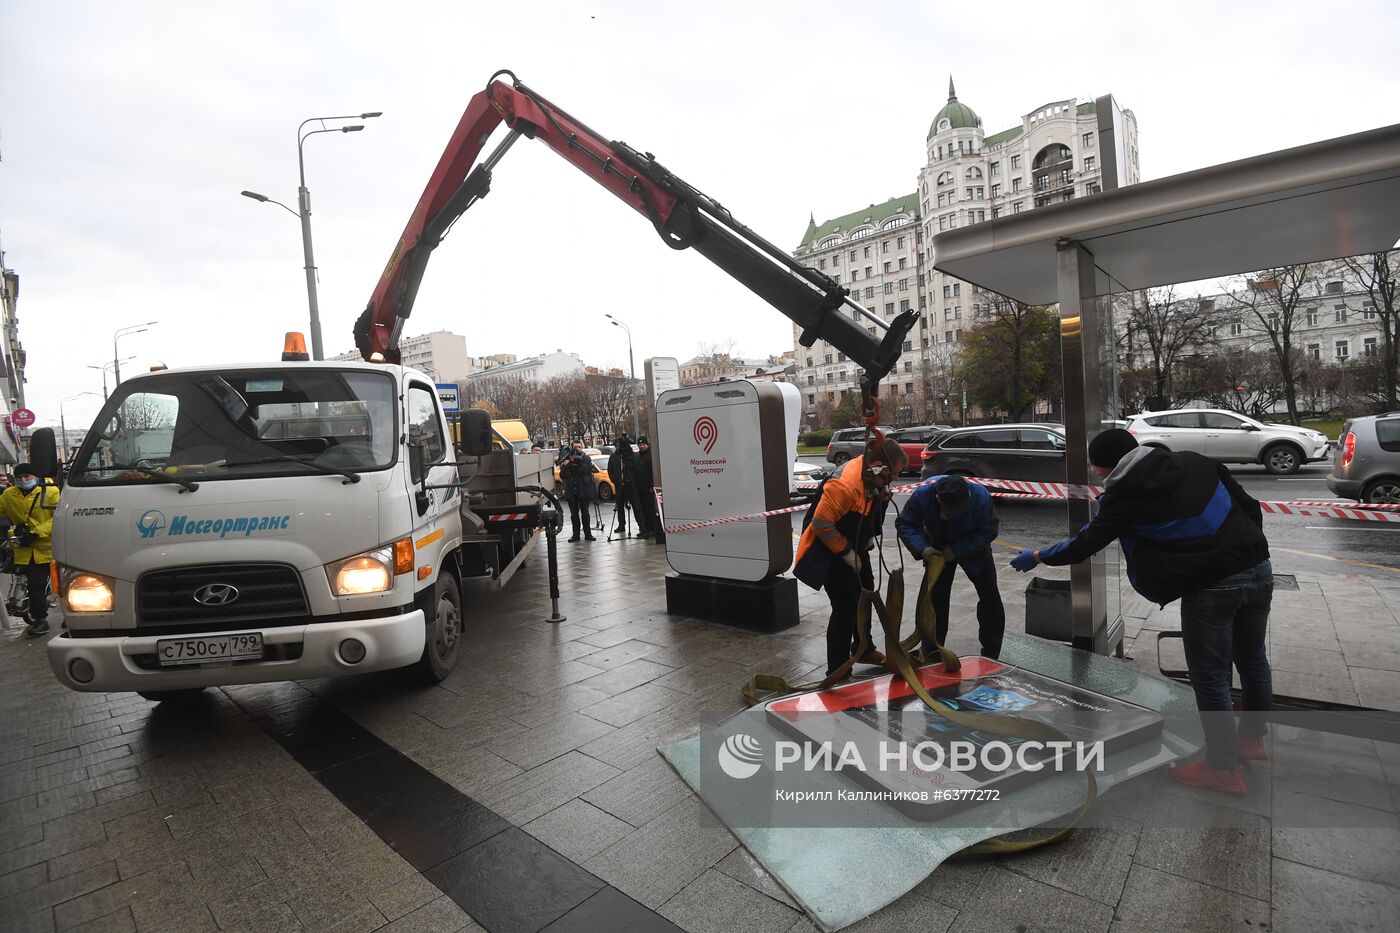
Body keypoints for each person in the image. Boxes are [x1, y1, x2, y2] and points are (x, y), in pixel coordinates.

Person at [1009, 428, 1273, 795]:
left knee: (1210, 677)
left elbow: (1083, 544)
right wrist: (1242, 551)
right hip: (1258, 568)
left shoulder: (1123, 498)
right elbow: (1249, 508)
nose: (1099, 477)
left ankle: (1222, 768)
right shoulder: (1196, 462)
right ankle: (1251, 739)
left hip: (1212, 587)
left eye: (1099, 470)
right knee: (1253, 659)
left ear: (1109, 466)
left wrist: (1037, 556)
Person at [793, 437, 908, 675]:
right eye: (893, 474)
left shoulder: (872, 474)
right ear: (878, 465)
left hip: (855, 542)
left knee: (866, 592)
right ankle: (837, 667)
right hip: (829, 548)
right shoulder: (843, 484)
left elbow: (865, 507)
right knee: (846, 607)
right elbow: (822, 523)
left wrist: (880, 500)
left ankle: (864, 647)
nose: (895, 480)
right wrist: (846, 552)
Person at [896, 474, 1005, 659]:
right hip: (937, 548)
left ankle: (991, 653)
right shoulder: (922, 496)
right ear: (937, 499)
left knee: (990, 597)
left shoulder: (980, 497)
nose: (950, 517)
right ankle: (933, 653)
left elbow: (988, 530)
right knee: (935, 601)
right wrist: (923, 549)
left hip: (974, 547)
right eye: (947, 512)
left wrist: (955, 551)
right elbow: (905, 523)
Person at [1, 463, 61, 638]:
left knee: (63, 584)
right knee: (35, 585)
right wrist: (14, 528)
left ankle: (69, 614)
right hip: (24, 549)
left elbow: (57, 517)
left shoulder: (50, 492)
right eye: (19, 478)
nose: (23, 480)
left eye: (27, 476)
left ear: (35, 477)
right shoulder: (7, 495)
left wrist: (36, 533)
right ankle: (40, 620)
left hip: (50, 548)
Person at [557, 440, 597, 542]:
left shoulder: (586, 458)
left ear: (582, 448)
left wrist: (571, 463)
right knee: (574, 514)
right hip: (572, 490)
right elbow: (562, 475)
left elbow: (583, 470)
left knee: (585, 513)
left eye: (579, 447)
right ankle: (576, 535)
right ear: (571, 448)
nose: (577, 449)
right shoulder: (567, 459)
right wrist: (566, 465)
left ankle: (588, 534)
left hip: (584, 490)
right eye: (575, 447)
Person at [630, 436, 657, 538]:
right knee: (641, 509)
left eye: (643, 444)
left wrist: (652, 484)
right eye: (640, 445)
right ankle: (644, 529)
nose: (642, 446)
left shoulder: (651, 456)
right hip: (639, 488)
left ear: (647, 445)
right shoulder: (637, 457)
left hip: (648, 488)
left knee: (649, 509)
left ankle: (652, 529)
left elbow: (653, 471)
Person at [607, 434, 635, 535]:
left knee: (635, 505)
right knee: (620, 506)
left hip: (630, 484)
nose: (619, 447)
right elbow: (610, 471)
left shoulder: (629, 455)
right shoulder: (613, 457)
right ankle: (621, 525)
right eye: (617, 445)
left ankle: (641, 525)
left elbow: (634, 466)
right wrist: (616, 480)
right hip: (619, 485)